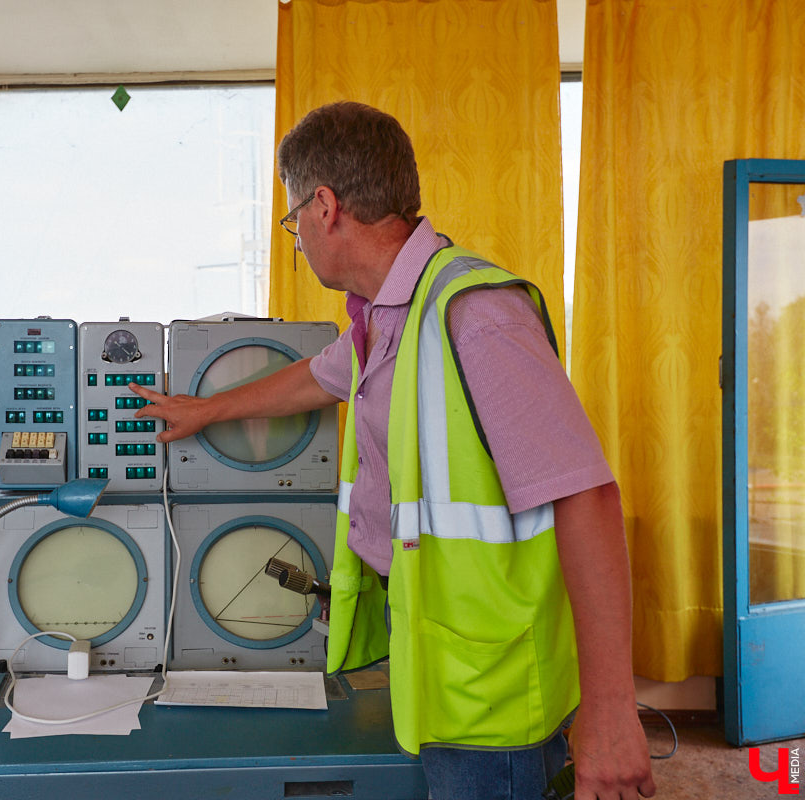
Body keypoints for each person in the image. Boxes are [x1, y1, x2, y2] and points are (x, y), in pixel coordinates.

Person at [129, 101, 655, 800]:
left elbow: (587, 498)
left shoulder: (476, 317)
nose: (295, 239)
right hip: (434, 663)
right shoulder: (387, 318)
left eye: (292, 221)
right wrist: (206, 410)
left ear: (326, 207)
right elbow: (315, 377)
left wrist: (612, 712)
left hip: (490, 697)